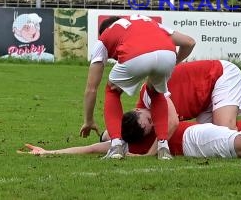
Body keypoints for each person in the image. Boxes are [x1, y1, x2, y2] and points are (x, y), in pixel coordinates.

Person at [80, 14, 196, 160]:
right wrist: (172, 63)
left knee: (112, 90)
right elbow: (189, 42)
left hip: (135, 57)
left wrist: (88, 120)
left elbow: (91, 88)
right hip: (168, 53)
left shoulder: (104, 38)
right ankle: (163, 148)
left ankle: (116, 146)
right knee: (156, 93)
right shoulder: (148, 22)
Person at [20, 121, 241, 165]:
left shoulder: (131, 137)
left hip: (202, 131)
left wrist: (48, 150)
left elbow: (86, 147)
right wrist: (49, 152)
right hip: (194, 140)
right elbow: (91, 147)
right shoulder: (128, 143)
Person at [133, 59, 241, 136]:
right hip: (203, 101)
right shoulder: (142, 117)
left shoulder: (151, 92)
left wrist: (151, 153)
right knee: (213, 138)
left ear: (136, 109)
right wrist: (112, 138)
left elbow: (172, 123)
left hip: (219, 75)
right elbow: (122, 129)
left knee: (226, 132)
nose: (153, 124)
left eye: (149, 120)